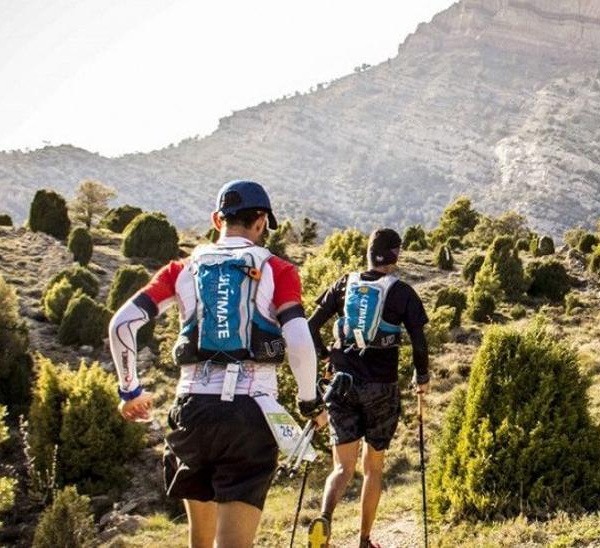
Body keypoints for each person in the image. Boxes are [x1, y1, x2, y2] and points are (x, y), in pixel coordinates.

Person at [108, 180, 325, 548]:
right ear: (260, 223)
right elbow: (300, 344)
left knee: (201, 541)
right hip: (250, 413)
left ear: (216, 219)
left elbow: (122, 324)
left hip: (192, 411)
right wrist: (310, 403)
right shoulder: (278, 269)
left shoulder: (180, 270)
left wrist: (130, 390)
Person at [306, 228, 430, 548]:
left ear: (368, 252)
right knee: (372, 467)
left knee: (341, 467)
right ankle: (364, 540)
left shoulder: (344, 284)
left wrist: (326, 358)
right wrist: (422, 379)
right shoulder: (402, 292)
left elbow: (310, 326)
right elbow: (419, 342)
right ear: (395, 255)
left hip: (342, 385)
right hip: (381, 389)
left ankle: (324, 519)